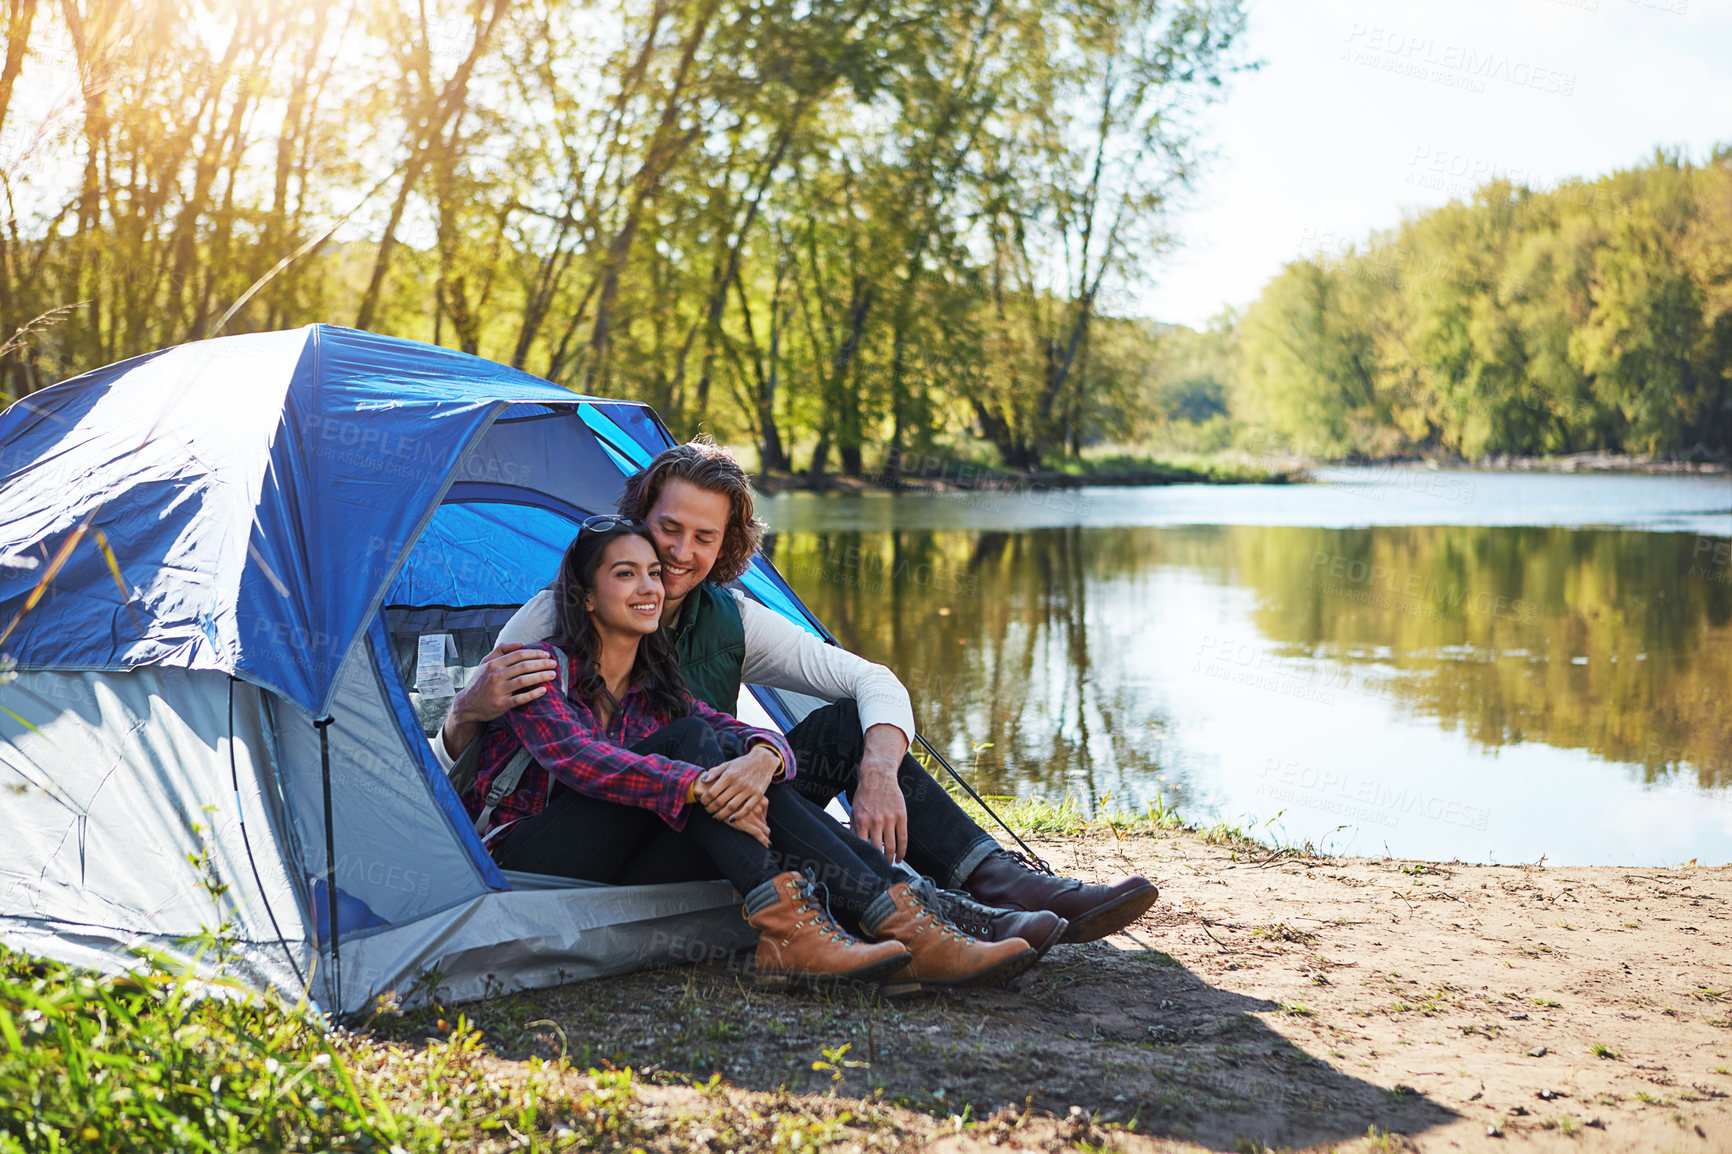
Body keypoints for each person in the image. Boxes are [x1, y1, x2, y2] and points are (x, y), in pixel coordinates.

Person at [437, 442, 1157, 946]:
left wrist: (871, 771)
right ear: (636, 523)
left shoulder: (731, 618)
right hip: (596, 831)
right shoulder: (553, 613)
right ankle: (921, 909)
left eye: (704, 537)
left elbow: (870, 679)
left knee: (843, 725)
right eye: (667, 530)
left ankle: (1000, 884)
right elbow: (483, 771)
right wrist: (465, 712)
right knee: (701, 746)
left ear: (727, 548)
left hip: (700, 818)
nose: (681, 554)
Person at [470, 515, 1038, 991]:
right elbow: (582, 762)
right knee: (695, 746)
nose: (649, 587)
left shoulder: (654, 686)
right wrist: (699, 784)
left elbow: (736, 732)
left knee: (714, 742)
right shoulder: (543, 668)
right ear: (586, 597)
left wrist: (761, 761)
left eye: (651, 574)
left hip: (626, 864)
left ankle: (886, 925)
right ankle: (865, 922)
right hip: (533, 862)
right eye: (625, 575)